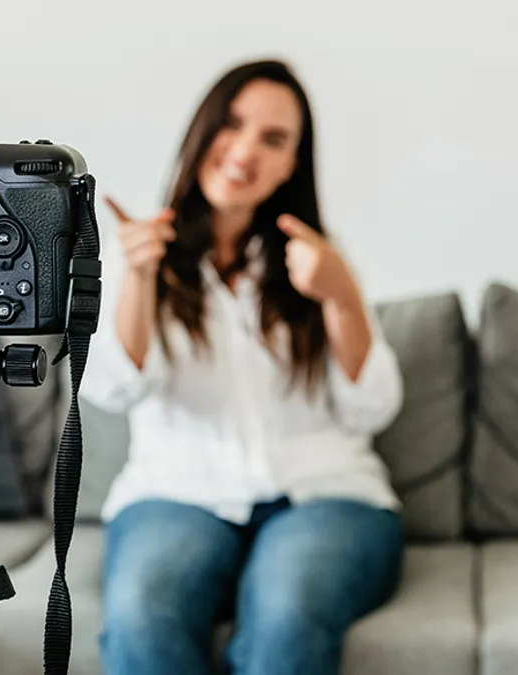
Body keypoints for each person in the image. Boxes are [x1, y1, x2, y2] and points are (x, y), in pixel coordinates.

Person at [81, 59, 406, 675]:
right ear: (202, 131)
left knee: (286, 613)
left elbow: (371, 407)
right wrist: (141, 279)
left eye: (274, 139)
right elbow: (117, 388)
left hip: (325, 496)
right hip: (177, 493)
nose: (245, 150)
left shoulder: (317, 261)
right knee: (141, 614)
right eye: (232, 125)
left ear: (292, 163)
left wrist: (342, 296)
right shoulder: (139, 253)